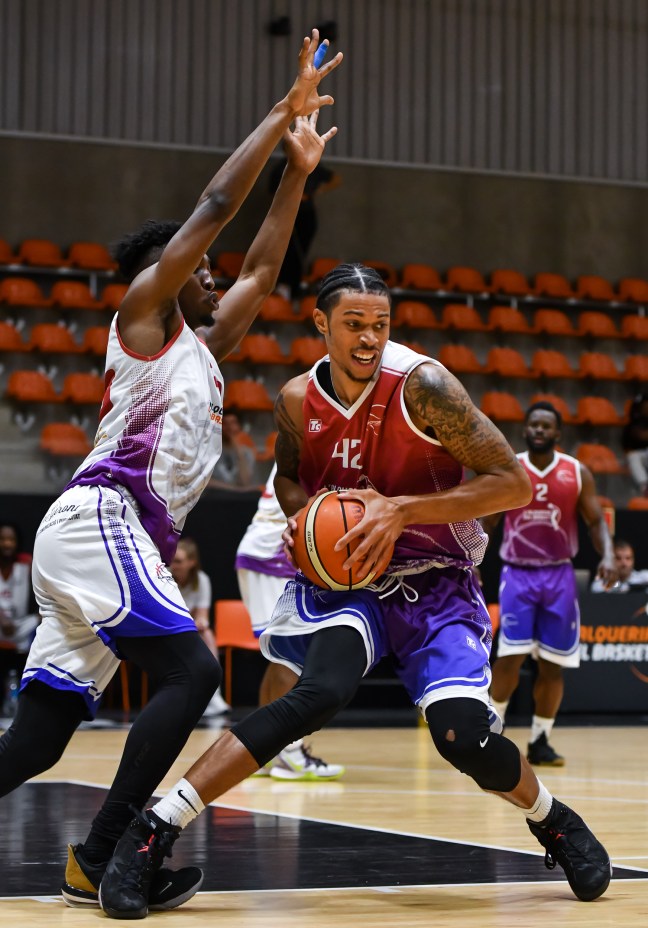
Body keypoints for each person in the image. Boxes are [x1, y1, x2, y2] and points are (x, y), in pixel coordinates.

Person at [100, 265, 611, 919]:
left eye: (380, 324)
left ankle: (554, 821)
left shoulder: (424, 386)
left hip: (435, 580)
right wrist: (303, 520)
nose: (370, 338)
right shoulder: (297, 400)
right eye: (354, 324)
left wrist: (399, 510)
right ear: (321, 324)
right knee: (316, 695)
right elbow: (290, 479)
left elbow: (510, 484)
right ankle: (153, 831)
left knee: (462, 737)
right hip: (352, 584)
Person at [0, 30, 342, 914]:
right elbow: (217, 204)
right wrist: (281, 113)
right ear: (168, 272)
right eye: (203, 271)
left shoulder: (204, 347)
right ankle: (111, 855)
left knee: (38, 739)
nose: (216, 279)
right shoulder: (145, 316)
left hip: (114, 542)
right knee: (193, 673)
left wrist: (297, 174)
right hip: (100, 520)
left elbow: (263, 266)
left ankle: (92, 865)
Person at [481, 401, 617, 768]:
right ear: (525, 430)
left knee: (553, 665)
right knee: (510, 656)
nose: (539, 430)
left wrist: (607, 554)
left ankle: (540, 741)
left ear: (558, 432)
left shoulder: (577, 471)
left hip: (559, 576)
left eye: (546, 426)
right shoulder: (511, 467)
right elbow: (488, 521)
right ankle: (491, 735)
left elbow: (595, 521)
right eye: (534, 425)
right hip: (518, 574)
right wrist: (471, 561)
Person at [235, 463, 344, 779]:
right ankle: (290, 752)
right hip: (273, 555)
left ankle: (263, 749)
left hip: (261, 553)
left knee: (279, 658)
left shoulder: (300, 442)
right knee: (292, 654)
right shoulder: (320, 445)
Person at [269, 146, 341, 299]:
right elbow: (272, 193)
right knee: (288, 251)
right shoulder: (280, 169)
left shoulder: (310, 165)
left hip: (306, 214)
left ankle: (294, 287)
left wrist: (317, 190)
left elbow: (335, 179)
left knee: (301, 251)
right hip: (287, 213)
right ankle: (284, 284)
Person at [169, 538, 230, 717]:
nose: (173, 565)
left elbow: (203, 617)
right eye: (172, 561)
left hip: (188, 630)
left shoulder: (202, 580)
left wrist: (200, 623)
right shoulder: (164, 577)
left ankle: (214, 695)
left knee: (207, 635)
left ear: (192, 562)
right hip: (168, 630)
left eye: (178, 561)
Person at [0, 522, 39, 703]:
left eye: (11, 539)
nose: (7, 543)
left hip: (20, 625)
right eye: (2, 539)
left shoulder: (26, 563)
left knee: (40, 623)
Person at [204, 410, 258, 493]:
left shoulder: (247, 453)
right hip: (214, 496)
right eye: (225, 423)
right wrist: (234, 489)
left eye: (233, 423)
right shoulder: (209, 451)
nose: (229, 427)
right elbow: (205, 482)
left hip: (238, 498)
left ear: (239, 426)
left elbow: (245, 482)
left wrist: (239, 453)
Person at [621, 394, 648, 495]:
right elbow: (627, 446)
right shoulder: (633, 423)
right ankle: (645, 487)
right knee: (633, 456)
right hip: (638, 456)